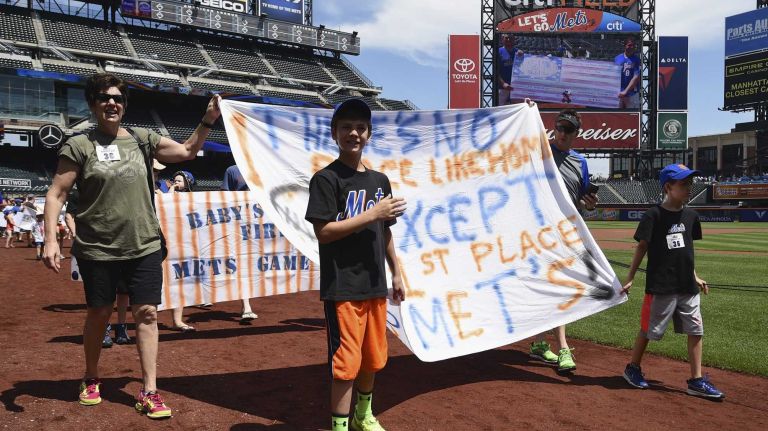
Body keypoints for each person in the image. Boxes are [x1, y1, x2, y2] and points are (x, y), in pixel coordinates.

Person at [43, 73, 221, 419]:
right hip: (97, 247)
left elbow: (186, 151)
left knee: (148, 313)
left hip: (143, 245)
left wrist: (208, 120)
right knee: (99, 313)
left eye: (118, 99)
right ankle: (91, 376)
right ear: (94, 104)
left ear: (124, 105)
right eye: (105, 98)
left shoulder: (142, 139)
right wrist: (51, 238)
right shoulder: (79, 145)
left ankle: (150, 389)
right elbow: (57, 193)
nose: (113, 103)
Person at [305, 99, 407, 431]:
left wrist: (398, 272)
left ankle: (363, 416)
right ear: (335, 133)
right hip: (344, 286)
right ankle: (340, 426)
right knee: (346, 363)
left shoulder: (380, 181)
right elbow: (324, 232)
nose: (354, 133)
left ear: (369, 134)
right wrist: (372, 214)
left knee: (373, 357)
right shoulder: (326, 179)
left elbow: (385, 231)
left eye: (361, 127)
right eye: (347, 127)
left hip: (375, 282)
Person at [621, 164, 724, 400]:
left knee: (696, 330)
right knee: (649, 331)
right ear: (668, 187)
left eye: (690, 183)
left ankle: (696, 380)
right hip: (661, 285)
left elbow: (687, 249)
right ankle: (632, 368)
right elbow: (641, 247)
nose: (689, 187)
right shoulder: (653, 215)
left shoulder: (691, 216)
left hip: (686, 285)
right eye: (683, 183)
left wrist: (695, 275)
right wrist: (630, 278)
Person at [529, 109, 598, 373]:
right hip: (541, 234)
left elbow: (582, 200)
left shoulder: (580, 162)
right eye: (559, 128)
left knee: (558, 287)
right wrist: (525, 111)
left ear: (576, 133)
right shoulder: (540, 153)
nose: (563, 133)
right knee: (557, 287)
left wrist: (590, 204)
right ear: (553, 129)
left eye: (568, 130)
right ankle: (562, 347)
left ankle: (538, 343)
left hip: (568, 235)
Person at [221, 164, 258, 323]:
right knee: (242, 263)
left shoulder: (261, 167)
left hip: (257, 223)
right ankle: (247, 305)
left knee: (252, 263)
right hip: (237, 223)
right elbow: (224, 197)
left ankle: (246, 305)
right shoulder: (232, 170)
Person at [167, 170, 198, 332]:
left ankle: (177, 320)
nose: (176, 182)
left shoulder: (194, 199)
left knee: (180, 283)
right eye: (174, 180)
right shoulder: (164, 195)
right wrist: (171, 192)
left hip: (184, 244)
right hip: (165, 244)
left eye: (179, 180)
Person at [497, 34, 524, 106]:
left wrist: (524, 57)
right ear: (502, 39)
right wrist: (503, 84)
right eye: (506, 38)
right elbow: (495, 71)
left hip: (516, 88)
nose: (508, 40)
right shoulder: (498, 52)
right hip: (503, 88)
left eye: (510, 38)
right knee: (501, 110)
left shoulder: (519, 53)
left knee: (517, 110)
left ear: (514, 39)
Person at [614, 37, 641, 109]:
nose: (631, 47)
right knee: (617, 117)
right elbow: (614, 75)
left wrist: (625, 91)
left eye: (633, 45)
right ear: (625, 46)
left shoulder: (637, 60)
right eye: (629, 45)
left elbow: (636, 77)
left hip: (632, 94)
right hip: (618, 93)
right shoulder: (617, 58)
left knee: (632, 117)